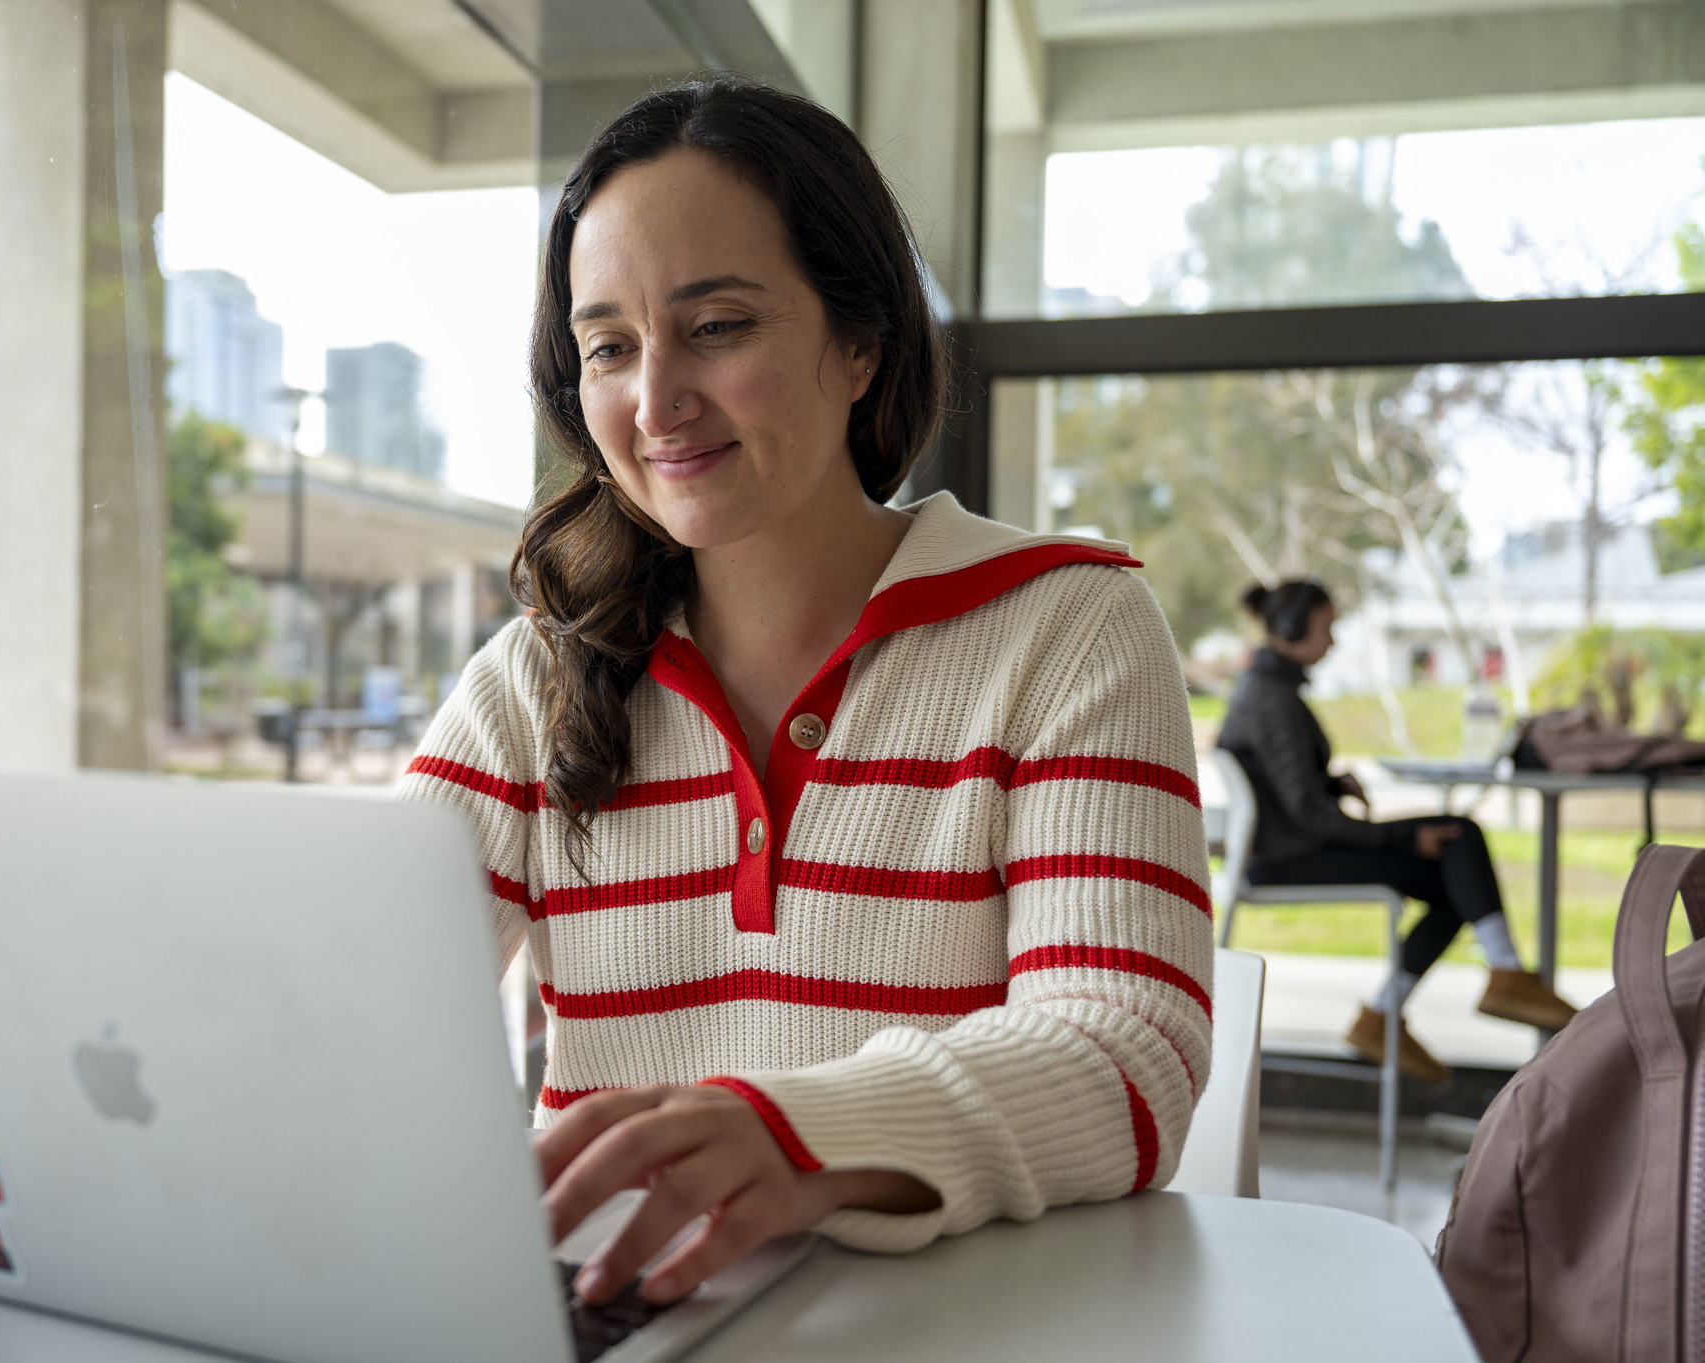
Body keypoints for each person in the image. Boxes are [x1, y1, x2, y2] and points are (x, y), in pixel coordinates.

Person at [395, 78, 1211, 1307]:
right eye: (607, 346)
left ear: (859, 343)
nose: (654, 400)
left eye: (715, 325)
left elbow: (1124, 1053)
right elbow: (339, 992)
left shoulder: (1066, 625)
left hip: (953, 1325)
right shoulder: (540, 668)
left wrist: (794, 1134)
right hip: (626, 1307)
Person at [1217, 580, 1576, 1083]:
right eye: (1328, 629)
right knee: (1459, 836)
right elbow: (1307, 815)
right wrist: (1403, 839)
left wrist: (1329, 781)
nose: (1334, 641)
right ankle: (1504, 974)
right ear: (1292, 629)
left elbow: (1291, 788)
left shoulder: (1264, 689)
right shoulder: (1273, 699)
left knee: (1458, 879)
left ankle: (1385, 1016)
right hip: (1291, 855)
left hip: (1286, 847)